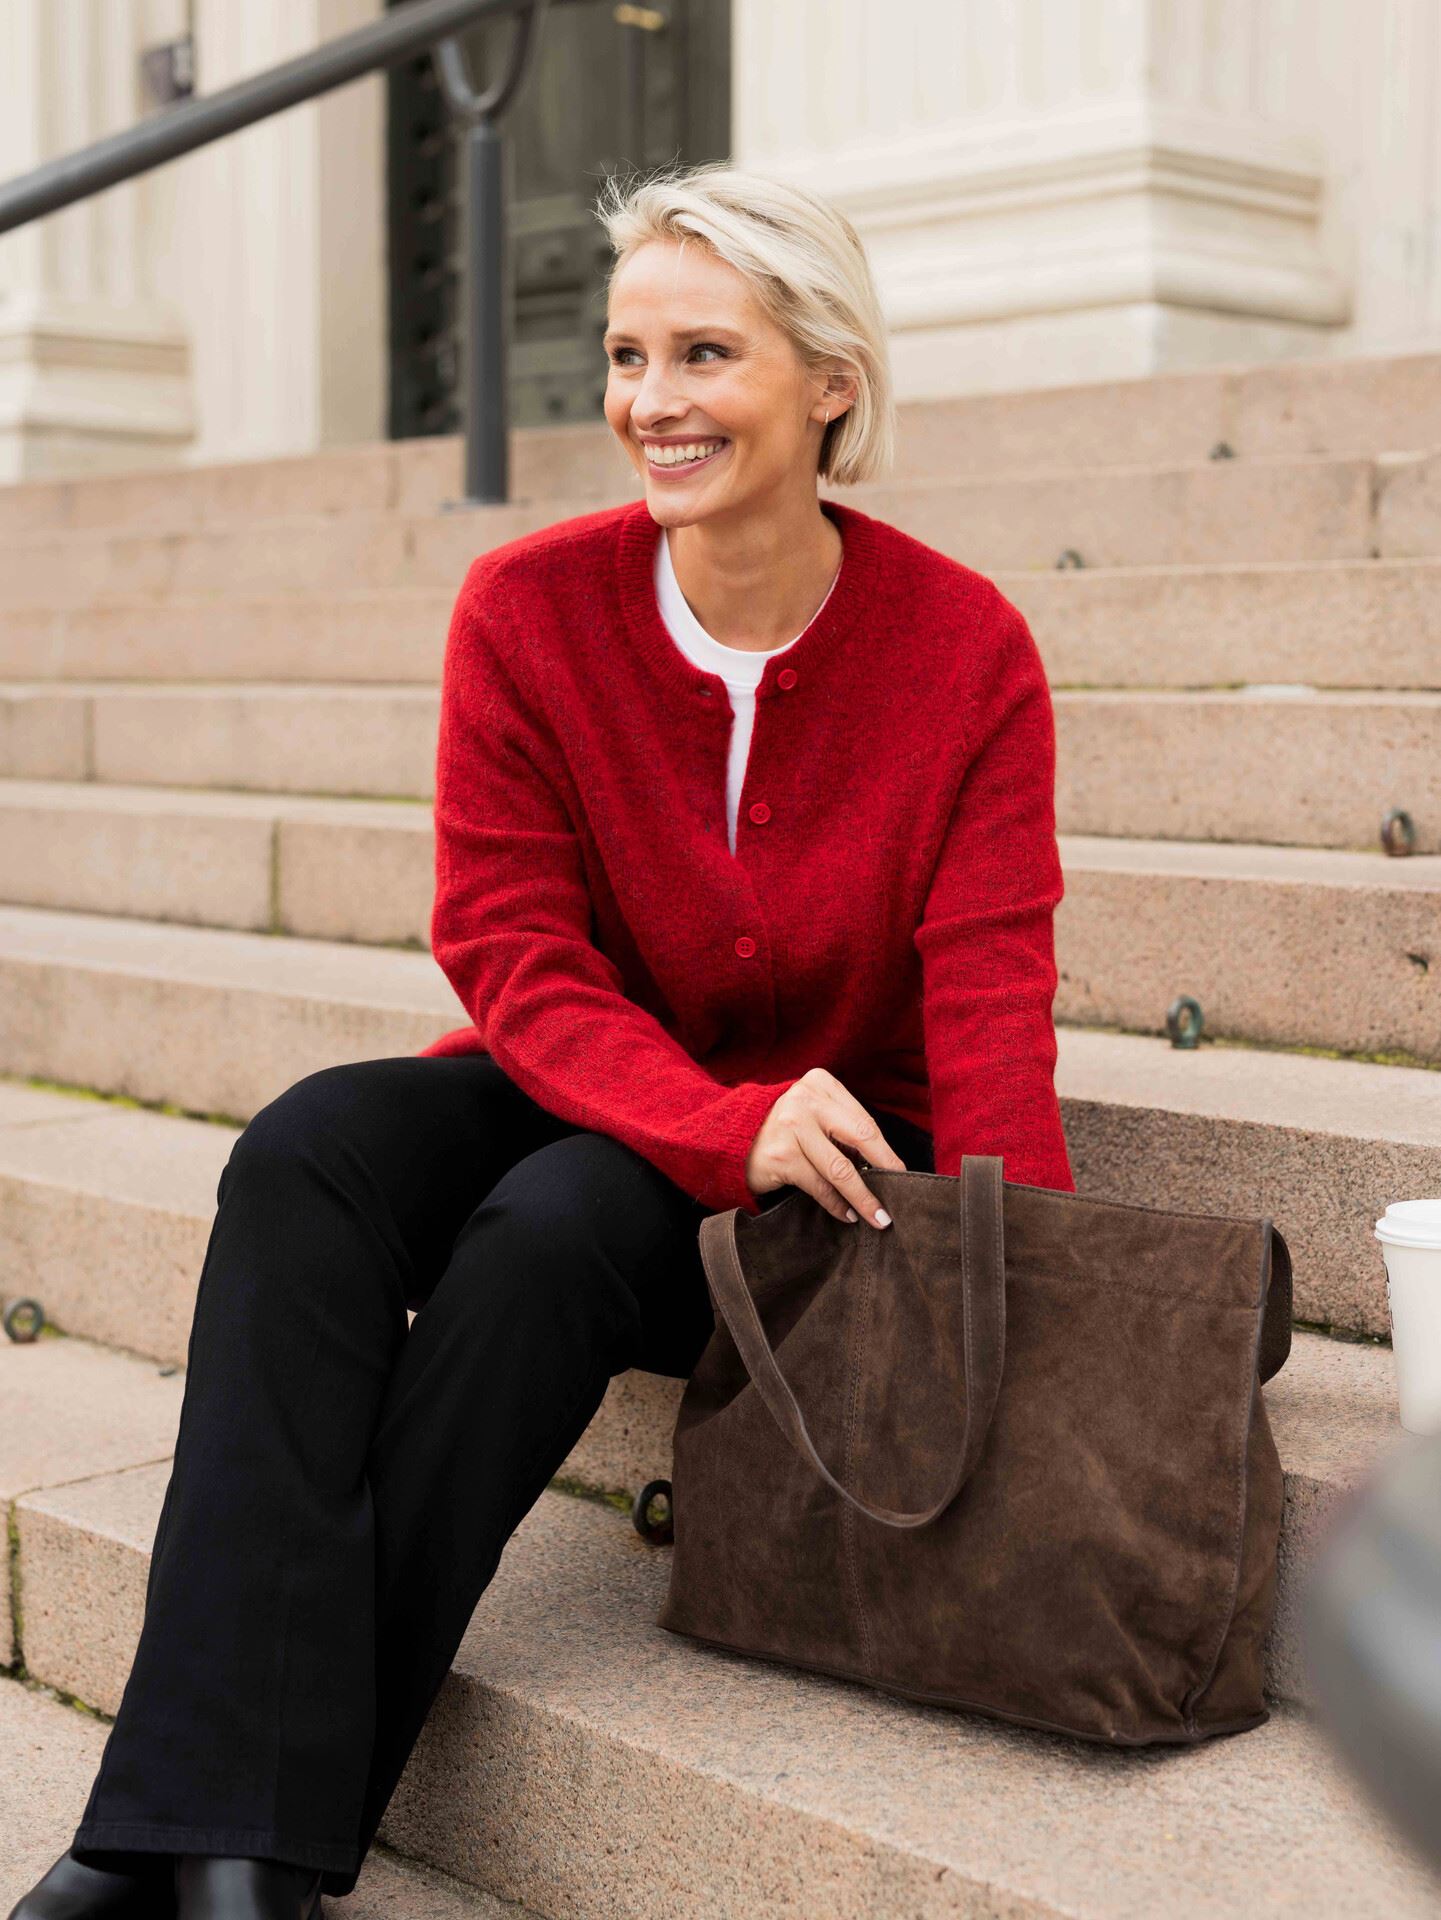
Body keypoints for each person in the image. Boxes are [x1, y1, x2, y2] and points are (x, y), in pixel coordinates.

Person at [9, 159, 1073, 1920]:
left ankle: (197, 1836)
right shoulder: (528, 611)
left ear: (830, 379)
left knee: (558, 1230)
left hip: (817, 1169)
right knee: (306, 1151)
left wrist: (1021, 1287)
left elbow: (984, 1004)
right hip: (597, 1074)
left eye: (706, 356)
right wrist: (696, 1112)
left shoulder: (964, 655)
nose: (650, 404)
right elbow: (507, 950)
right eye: (626, 354)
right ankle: (231, 1853)